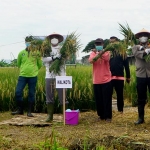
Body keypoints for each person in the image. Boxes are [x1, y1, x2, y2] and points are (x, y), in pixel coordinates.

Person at [11, 36, 43, 117]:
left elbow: (40, 64)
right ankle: (20, 110)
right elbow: (18, 63)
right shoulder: (21, 53)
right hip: (22, 76)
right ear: (25, 42)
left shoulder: (37, 53)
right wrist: (24, 69)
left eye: (30, 42)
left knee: (31, 93)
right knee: (18, 92)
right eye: (27, 42)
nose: (28, 43)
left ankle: (29, 111)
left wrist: (34, 70)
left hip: (33, 76)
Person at [43, 33, 68, 122]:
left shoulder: (63, 49)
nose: (54, 39)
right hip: (49, 75)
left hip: (61, 75)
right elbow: (44, 59)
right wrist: (54, 58)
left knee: (63, 95)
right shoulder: (46, 49)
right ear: (50, 40)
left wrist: (62, 57)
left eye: (56, 37)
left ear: (58, 39)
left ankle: (66, 116)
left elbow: (66, 58)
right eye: (52, 38)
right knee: (49, 95)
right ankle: (50, 116)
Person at [88, 38, 112, 122]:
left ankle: (108, 116)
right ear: (95, 45)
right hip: (96, 80)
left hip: (106, 80)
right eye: (97, 44)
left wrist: (101, 52)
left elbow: (107, 59)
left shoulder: (107, 52)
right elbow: (91, 60)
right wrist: (96, 53)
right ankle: (101, 115)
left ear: (103, 44)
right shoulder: (92, 53)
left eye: (100, 44)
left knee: (107, 99)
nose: (98, 45)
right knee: (99, 99)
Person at [132, 29, 150, 124]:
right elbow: (140, 56)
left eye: (145, 35)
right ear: (139, 38)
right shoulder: (135, 47)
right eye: (141, 35)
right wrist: (146, 51)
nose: (143, 36)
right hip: (141, 75)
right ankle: (141, 118)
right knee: (141, 98)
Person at [109, 36, 130, 113]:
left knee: (120, 95)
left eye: (114, 42)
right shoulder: (108, 53)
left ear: (117, 43)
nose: (112, 44)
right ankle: (109, 111)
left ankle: (120, 110)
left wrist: (128, 77)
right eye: (111, 42)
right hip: (109, 78)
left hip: (120, 77)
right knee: (108, 95)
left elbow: (127, 65)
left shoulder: (122, 52)